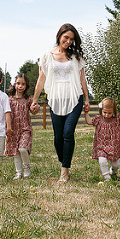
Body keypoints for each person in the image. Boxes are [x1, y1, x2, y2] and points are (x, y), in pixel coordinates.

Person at [30, 23, 91, 183]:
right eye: (66, 37)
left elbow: (82, 78)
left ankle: (64, 171)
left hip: (74, 97)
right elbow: (41, 78)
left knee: (68, 133)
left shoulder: (76, 56)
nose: (69, 41)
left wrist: (86, 99)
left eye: (72, 39)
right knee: (58, 138)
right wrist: (35, 100)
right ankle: (65, 163)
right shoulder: (46, 55)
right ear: (59, 36)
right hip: (56, 99)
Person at [84, 97, 120, 181]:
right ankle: (106, 177)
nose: (106, 115)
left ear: (113, 111)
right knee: (102, 161)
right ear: (101, 110)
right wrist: (86, 112)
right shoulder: (98, 119)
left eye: (109, 113)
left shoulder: (116, 119)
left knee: (116, 165)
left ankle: (113, 171)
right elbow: (89, 121)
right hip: (101, 145)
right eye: (104, 112)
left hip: (113, 146)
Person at [5, 73, 34, 179]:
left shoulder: (28, 100)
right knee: (15, 152)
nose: (20, 86)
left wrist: (36, 107)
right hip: (13, 129)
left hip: (25, 128)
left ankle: (26, 166)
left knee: (22, 149)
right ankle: (18, 172)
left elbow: (34, 110)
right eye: (18, 83)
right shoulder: (9, 100)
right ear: (14, 84)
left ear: (26, 86)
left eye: (23, 84)